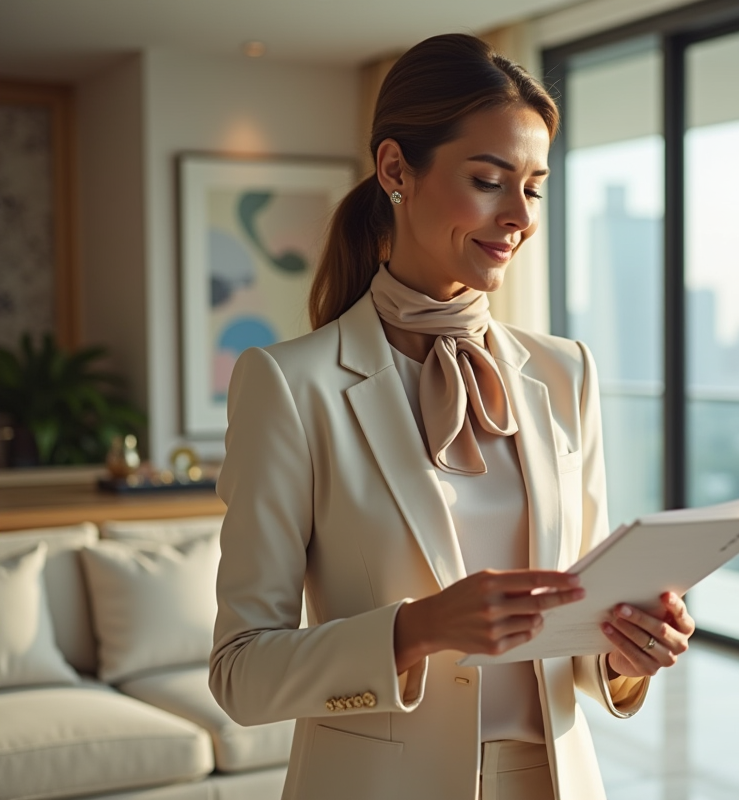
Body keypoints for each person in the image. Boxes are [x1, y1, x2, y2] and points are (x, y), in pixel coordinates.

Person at [208, 33, 695, 800]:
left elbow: (581, 621)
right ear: (397, 169)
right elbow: (241, 674)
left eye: (533, 187)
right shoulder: (288, 385)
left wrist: (623, 655)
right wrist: (418, 628)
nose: (519, 216)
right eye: (488, 180)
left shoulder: (566, 372)